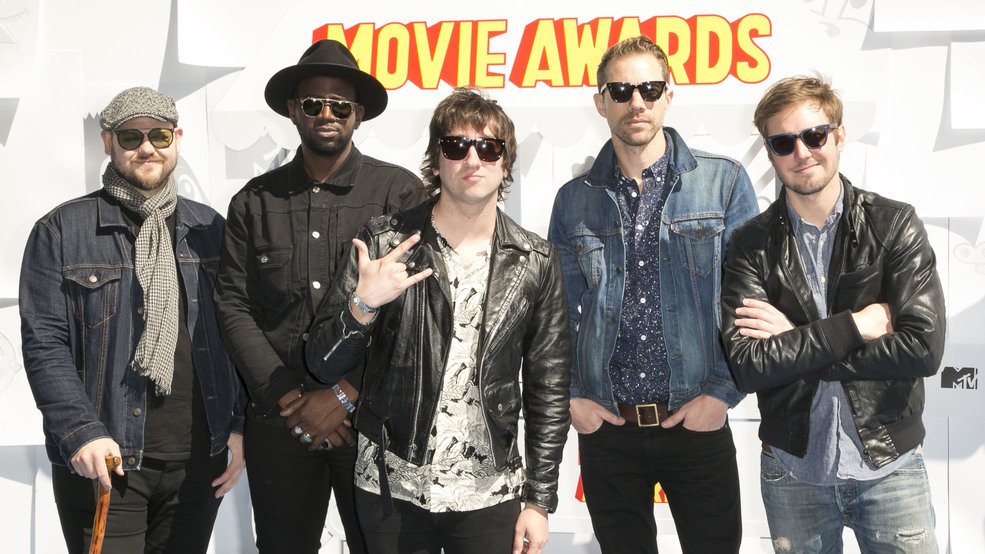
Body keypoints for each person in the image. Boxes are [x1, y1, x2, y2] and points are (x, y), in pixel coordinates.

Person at [304, 88, 571, 554]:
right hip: (392, 483)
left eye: (488, 147)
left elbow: (549, 388)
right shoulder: (386, 242)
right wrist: (362, 306)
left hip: (490, 491)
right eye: (456, 145)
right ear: (436, 160)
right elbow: (322, 363)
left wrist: (540, 500)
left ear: (505, 164)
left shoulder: (536, 260)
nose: (473, 158)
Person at [548, 35, 758, 553]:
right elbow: (556, 314)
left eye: (648, 87)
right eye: (620, 90)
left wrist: (723, 393)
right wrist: (573, 396)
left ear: (669, 94)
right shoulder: (574, 201)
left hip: (697, 418)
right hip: (608, 426)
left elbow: (749, 301)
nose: (635, 102)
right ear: (601, 102)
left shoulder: (724, 182)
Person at [721, 74, 944, 553]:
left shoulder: (894, 224)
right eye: (783, 142)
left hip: (890, 466)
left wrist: (797, 340)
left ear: (839, 135)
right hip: (793, 470)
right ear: (769, 152)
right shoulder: (750, 244)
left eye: (814, 135)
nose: (802, 152)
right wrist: (855, 327)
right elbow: (748, 365)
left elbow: (923, 348)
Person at [215, 39, 423, 553]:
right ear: (293, 111)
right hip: (277, 423)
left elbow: (413, 312)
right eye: (313, 104)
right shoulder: (253, 202)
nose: (327, 114)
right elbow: (233, 307)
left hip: (371, 424)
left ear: (358, 115)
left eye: (340, 105)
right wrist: (291, 399)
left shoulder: (399, 193)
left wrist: (343, 395)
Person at [19, 86, 245, 553]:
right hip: (107, 459)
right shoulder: (62, 230)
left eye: (159, 134)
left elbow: (235, 331)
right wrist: (81, 433)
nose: (147, 147)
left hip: (198, 461)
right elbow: (45, 344)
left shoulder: (210, 230)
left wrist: (239, 427)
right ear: (107, 143)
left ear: (177, 139)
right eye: (130, 136)